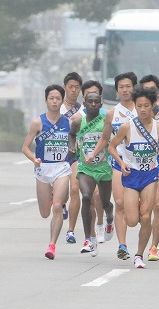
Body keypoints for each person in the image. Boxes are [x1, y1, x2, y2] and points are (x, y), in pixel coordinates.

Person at [109, 86, 159, 268]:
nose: (143, 109)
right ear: (135, 107)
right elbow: (112, 147)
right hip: (131, 176)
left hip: (150, 175)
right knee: (132, 220)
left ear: (152, 106)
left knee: (146, 216)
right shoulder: (126, 127)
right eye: (140, 106)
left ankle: (139, 254)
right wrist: (121, 163)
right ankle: (137, 207)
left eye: (147, 105)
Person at [90, 72, 138, 260]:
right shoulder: (112, 114)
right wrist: (94, 154)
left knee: (139, 212)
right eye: (121, 87)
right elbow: (105, 138)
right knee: (119, 203)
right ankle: (123, 246)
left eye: (128, 86)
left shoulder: (143, 109)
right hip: (119, 163)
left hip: (141, 166)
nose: (125, 90)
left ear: (134, 87)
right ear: (117, 90)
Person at [22, 85, 71, 259]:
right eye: (51, 98)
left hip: (61, 168)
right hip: (43, 169)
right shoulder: (38, 122)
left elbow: (73, 142)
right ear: (46, 100)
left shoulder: (68, 122)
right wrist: (34, 159)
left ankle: (52, 245)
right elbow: (25, 147)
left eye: (58, 98)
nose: (55, 101)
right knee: (45, 213)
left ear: (62, 100)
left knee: (57, 207)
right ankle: (54, 196)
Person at [68, 85, 113, 257]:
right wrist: (72, 147)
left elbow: (106, 139)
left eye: (96, 101)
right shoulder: (79, 121)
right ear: (84, 103)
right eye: (90, 101)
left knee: (105, 202)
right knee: (86, 197)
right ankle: (89, 238)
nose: (93, 104)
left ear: (101, 103)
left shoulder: (105, 120)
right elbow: (71, 135)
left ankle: (109, 217)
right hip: (85, 167)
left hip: (103, 167)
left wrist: (95, 153)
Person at [139, 75, 159, 262]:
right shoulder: (137, 113)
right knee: (143, 209)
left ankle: (154, 247)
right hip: (139, 164)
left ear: (157, 92)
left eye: (152, 90)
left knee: (158, 204)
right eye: (145, 89)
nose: (149, 93)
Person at [60, 72, 83, 244]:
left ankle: (70, 230)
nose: (74, 90)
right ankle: (60, 203)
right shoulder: (56, 107)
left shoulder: (84, 109)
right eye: (71, 87)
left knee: (75, 189)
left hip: (75, 153)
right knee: (62, 192)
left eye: (77, 87)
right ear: (65, 87)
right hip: (58, 155)